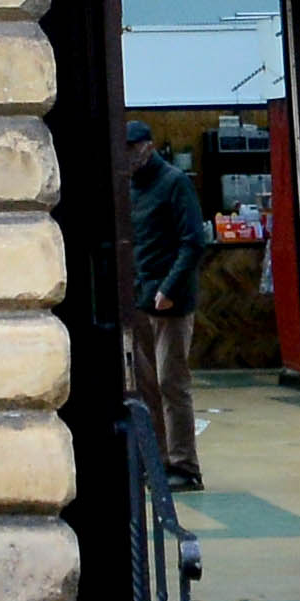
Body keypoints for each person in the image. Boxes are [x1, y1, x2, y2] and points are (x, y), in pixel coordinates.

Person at [125, 129, 212, 485]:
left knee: (171, 383)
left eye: (130, 149)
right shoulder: (131, 186)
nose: (126, 157)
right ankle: (158, 461)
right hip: (142, 299)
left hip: (171, 301)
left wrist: (169, 287)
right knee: (147, 386)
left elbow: (193, 241)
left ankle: (185, 466)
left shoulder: (174, 182)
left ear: (146, 147)